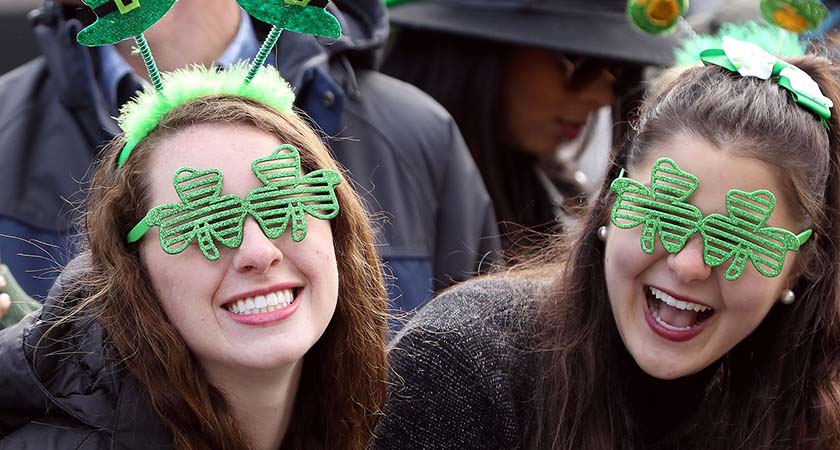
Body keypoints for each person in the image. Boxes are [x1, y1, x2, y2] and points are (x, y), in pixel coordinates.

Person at [372, 38, 840, 449]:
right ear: (611, 207)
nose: (688, 264)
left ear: (797, 267)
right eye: (663, 212)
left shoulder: (812, 420)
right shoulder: (463, 365)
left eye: (735, 237)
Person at [0, 0, 499, 320]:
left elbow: (477, 375)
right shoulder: (7, 128)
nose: (258, 252)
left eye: (292, 203)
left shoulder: (413, 133)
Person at [0, 63, 388, 449]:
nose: (258, 252)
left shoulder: (401, 422)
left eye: (283, 202)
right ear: (133, 269)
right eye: (204, 220)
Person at [382, 0, 679, 258]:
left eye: (618, 72)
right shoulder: (379, 178)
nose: (601, 96)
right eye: (577, 61)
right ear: (473, 54)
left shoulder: (551, 193)